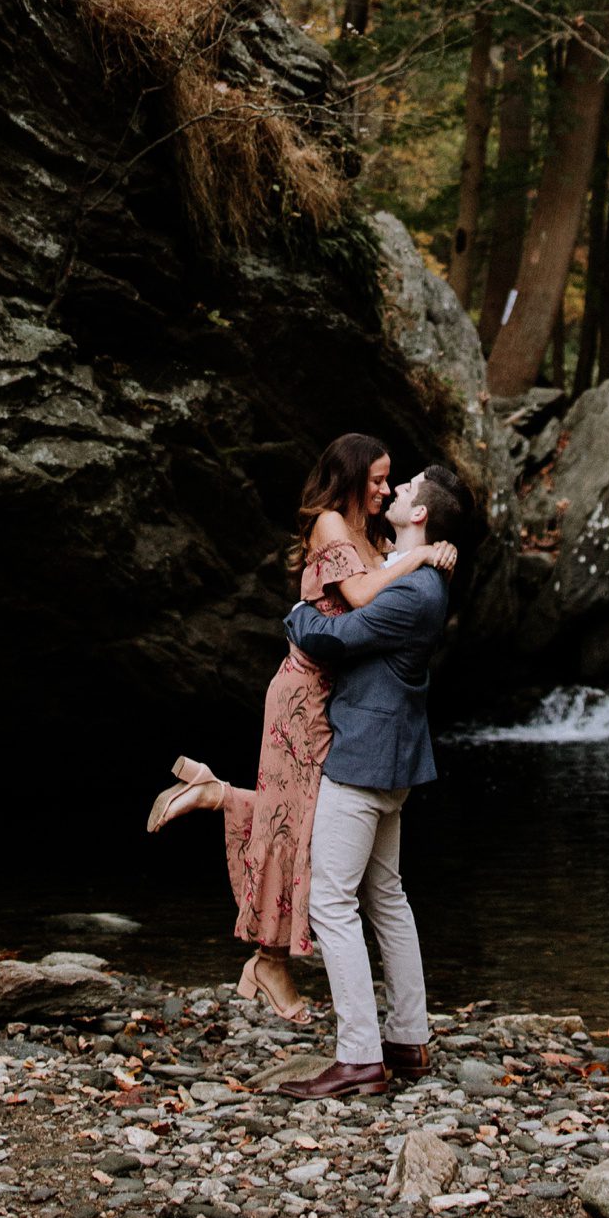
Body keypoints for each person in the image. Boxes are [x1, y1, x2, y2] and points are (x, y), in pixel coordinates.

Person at [144, 433, 458, 1023]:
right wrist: (422, 556)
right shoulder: (331, 527)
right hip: (304, 691)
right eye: (377, 479)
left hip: (338, 698)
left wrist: (434, 548)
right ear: (352, 476)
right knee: (295, 824)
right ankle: (268, 959)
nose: (385, 489)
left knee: (304, 820)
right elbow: (364, 591)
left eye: (391, 482)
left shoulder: (371, 531)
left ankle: (217, 796)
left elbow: (398, 562)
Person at [278, 463, 474, 1101]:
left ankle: (359, 1055)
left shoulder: (411, 593)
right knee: (386, 895)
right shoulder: (419, 574)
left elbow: (335, 637)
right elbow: (383, 564)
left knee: (331, 903)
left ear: (419, 514)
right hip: (395, 758)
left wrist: (298, 612)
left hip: (364, 758)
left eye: (409, 489)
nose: (395, 491)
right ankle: (408, 1038)